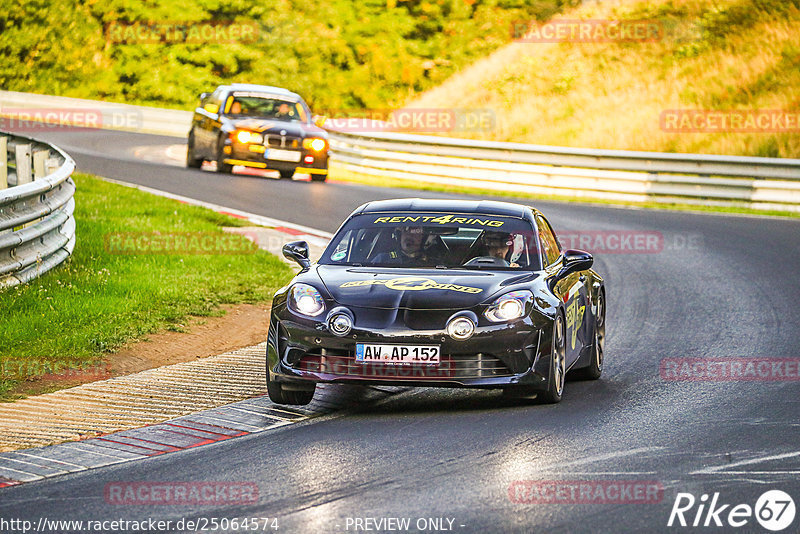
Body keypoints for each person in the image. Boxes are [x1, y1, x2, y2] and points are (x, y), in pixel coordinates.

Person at [372, 226, 441, 265]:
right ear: (399, 236)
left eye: (415, 233)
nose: (409, 236)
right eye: (405, 231)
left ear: (425, 239)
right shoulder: (382, 259)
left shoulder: (435, 263)